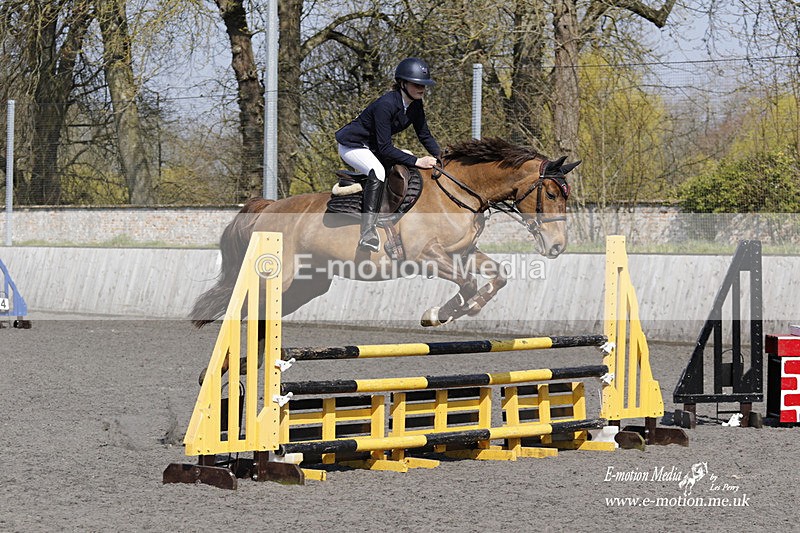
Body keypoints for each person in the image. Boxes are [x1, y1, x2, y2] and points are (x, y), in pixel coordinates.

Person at [335, 57, 441, 252]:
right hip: (353, 145)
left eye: (424, 85)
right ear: (403, 83)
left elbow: (424, 135)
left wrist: (442, 157)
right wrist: (419, 160)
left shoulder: (416, 106)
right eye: (417, 84)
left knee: (406, 160)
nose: (422, 89)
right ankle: (367, 233)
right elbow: (385, 149)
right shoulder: (386, 104)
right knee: (378, 171)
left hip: (373, 146)